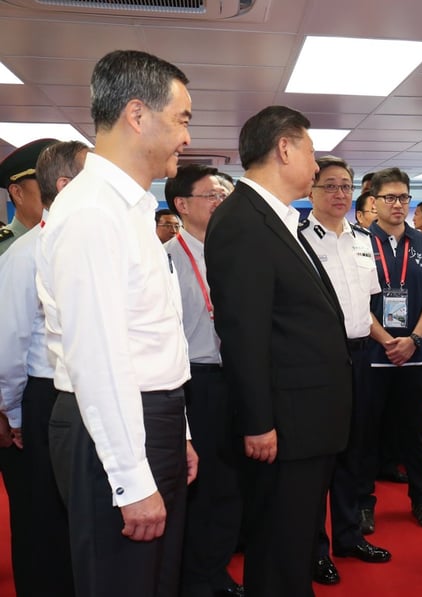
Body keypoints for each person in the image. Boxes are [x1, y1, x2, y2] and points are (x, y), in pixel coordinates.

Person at [37, 49, 199, 597]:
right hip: (110, 427)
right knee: (123, 584)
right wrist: (130, 481)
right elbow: (98, 359)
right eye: (181, 119)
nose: (186, 137)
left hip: (149, 417)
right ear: (137, 114)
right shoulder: (91, 211)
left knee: (155, 582)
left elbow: (149, 336)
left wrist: (178, 433)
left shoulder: (129, 207)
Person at [204, 105, 353, 597]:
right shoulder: (243, 221)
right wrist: (258, 421)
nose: (316, 167)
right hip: (284, 422)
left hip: (307, 418)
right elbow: (242, 332)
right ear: (284, 148)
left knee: (292, 543)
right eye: (310, 153)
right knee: (278, 544)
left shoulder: (277, 218)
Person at [300, 156, 392, 587]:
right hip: (320, 361)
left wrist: (385, 340)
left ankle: (349, 535)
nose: (339, 194)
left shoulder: (361, 239)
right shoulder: (298, 240)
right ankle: (316, 549)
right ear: (311, 191)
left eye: (346, 187)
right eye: (330, 186)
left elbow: (364, 307)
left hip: (361, 356)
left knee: (356, 451)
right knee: (322, 457)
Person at [0, 139, 85, 596]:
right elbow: (9, 343)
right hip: (41, 394)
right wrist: (11, 415)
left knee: (79, 518)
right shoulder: (24, 253)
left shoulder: (88, 243)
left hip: (80, 394)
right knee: (40, 518)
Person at [164, 164, 244, 597]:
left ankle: (217, 572)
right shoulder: (168, 260)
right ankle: (194, 579)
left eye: (223, 194)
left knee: (231, 482)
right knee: (201, 486)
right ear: (182, 205)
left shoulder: (233, 251)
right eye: (212, 195)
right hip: (196, 382)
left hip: (236, 376)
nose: (221, 202)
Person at [362, 166, 422, 531]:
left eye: (403, 197)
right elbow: (354, 302)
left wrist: (414, 340)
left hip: (415, 354)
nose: (398, 204)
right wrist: (386, 340)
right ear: (373, 201)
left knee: (414, 432)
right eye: (389, 197)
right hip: (373, 355)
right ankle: (363, 503)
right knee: (366, 433)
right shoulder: (359, 242)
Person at [0, 138, 58, 258]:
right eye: (46, 184)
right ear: (17, 193)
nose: (55, 192)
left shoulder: (62, 240)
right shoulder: (3, 249)